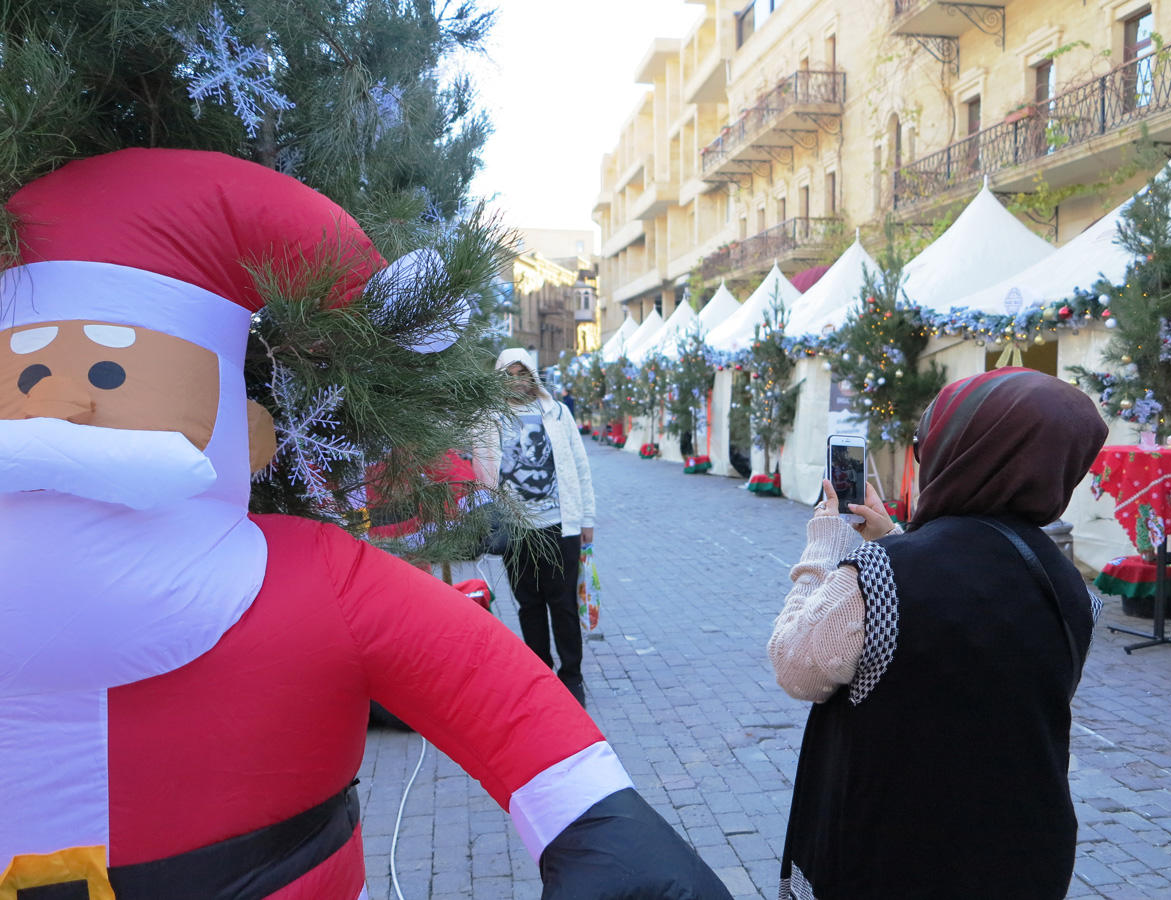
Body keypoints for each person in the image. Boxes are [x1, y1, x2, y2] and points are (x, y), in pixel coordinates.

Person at [0, 148, 734, 900]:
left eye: (111, 375)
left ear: (252, 438)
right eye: (20, 375)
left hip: (275, 872)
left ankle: (568, 669)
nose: (60, 406)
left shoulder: (312, 576)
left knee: (546, 615)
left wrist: (594, 824)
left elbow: (474, 673)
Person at [767, 368, 1108, 900]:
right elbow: (967, 617)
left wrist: (826, 550)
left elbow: (796, 665)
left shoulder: (876, 575)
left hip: (891, 851)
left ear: (962, 452)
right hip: (1020, 851)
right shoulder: (1072, 588)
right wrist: (897, 540)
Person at [476, 348, 594, 708]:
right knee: (528, 604)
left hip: (558, 524)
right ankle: (541, 674)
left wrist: (586, 519)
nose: (515, 381)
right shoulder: (488, 419)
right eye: (507, 375)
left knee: (563, 603)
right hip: (516, 528)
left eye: (521, 373)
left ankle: (572, 677)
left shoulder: (557, 414)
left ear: (532, 376)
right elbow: (481, 474)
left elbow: (580, 466)